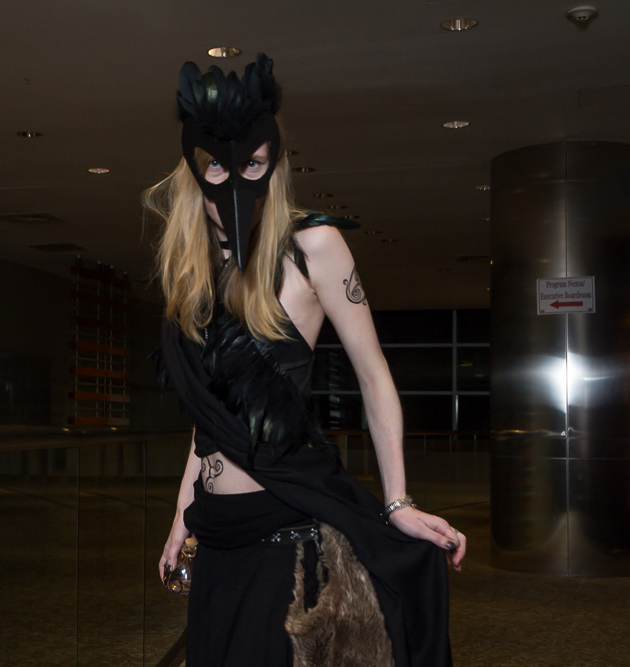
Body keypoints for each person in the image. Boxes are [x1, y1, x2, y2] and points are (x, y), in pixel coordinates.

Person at [146, 54, 465, 666]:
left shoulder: (312, 248)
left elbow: (373, 375)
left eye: (252, 163)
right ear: (194, 170)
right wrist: (181, 517)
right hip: (217, 535)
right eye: (217, 164)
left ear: (273, 164)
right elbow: (210, 419)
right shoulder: (192, 274)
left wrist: (398, 501)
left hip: (284, 531)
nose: (234, 180)